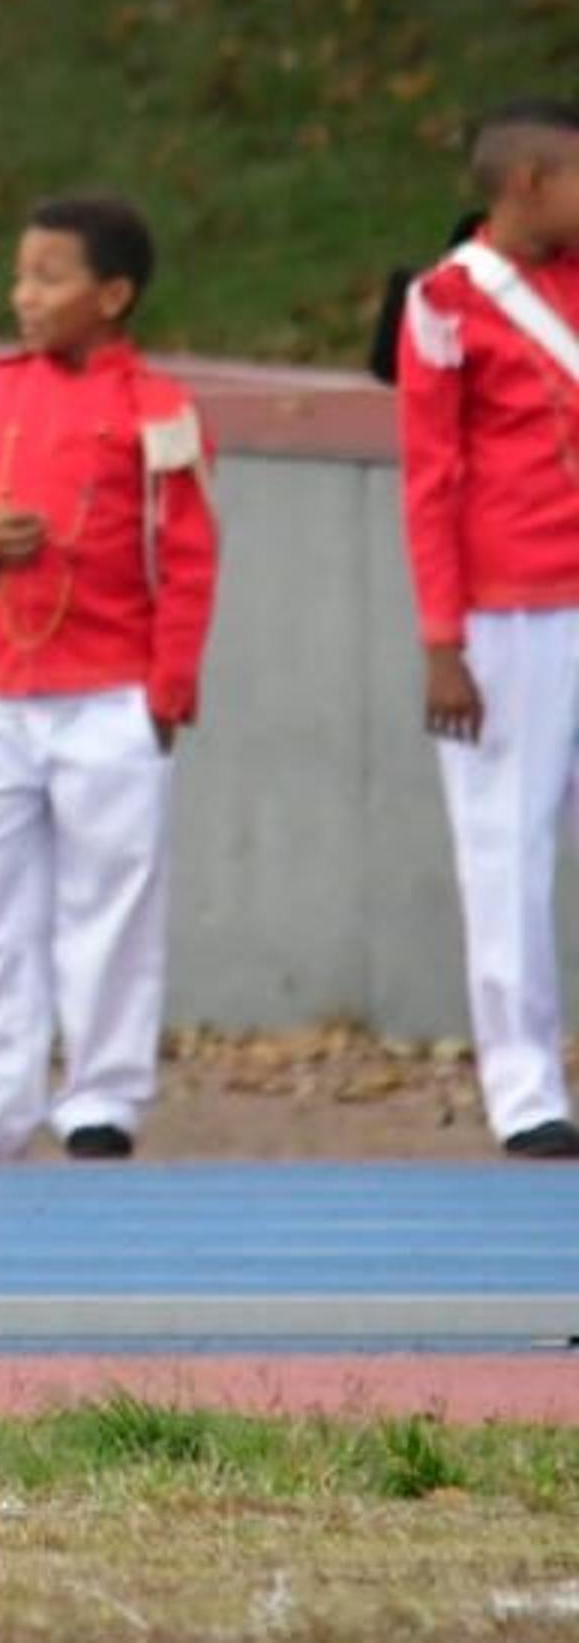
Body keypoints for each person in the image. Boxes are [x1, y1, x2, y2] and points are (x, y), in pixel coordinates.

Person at [0, 195, 219, 1162]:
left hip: (113, 692)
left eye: (49, 277)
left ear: (112, 295)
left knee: (110, 900)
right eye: (21, 275)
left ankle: (102, 1096)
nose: (24, 295)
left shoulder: (157, 410)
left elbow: (189, 557)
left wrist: (170, 690)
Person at [392, 99, 579, 1159]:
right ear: (529, 185)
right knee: (508, 851)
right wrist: (439, 639)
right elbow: (431, 476)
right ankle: (526, 1091)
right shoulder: (445, 304)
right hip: (507, 615)